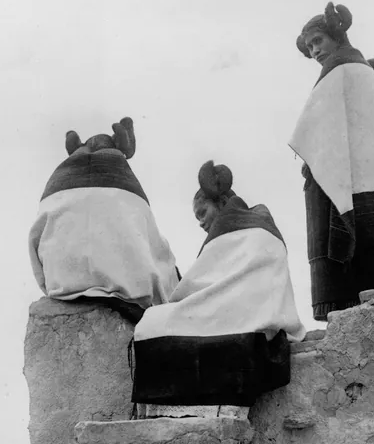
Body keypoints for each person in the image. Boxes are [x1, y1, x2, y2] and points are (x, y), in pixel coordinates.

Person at [289, 2, 374, 321]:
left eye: (318, 41)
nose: (315, 51)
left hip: (350, 181)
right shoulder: (363, 72)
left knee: (352, 269)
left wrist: (312, 164)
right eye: (310, 47)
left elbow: (317, 131)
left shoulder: (338, 71)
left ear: (336, 36)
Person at [131, 161, 306, 406]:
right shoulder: (262, 225)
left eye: (202, 213)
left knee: (153, 322)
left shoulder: (228, 233)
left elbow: (192, 290)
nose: (200, 223)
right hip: (263, 325)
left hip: (240, 320)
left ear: (222, 204)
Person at [29, 117, 179, 323]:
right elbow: (157, 255)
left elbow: (35, 243)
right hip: (127, 299)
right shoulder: (128, 194)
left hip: (62, 287)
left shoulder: (56, 189)